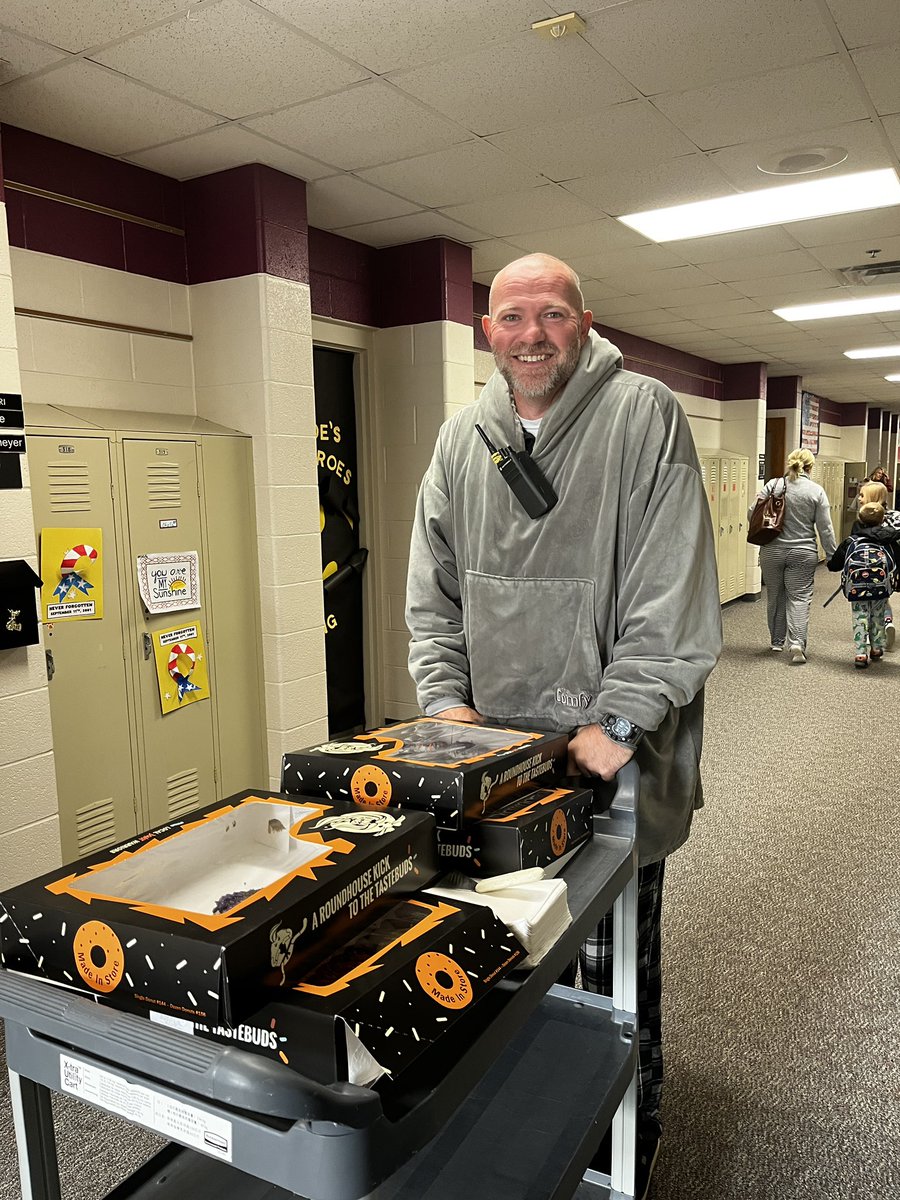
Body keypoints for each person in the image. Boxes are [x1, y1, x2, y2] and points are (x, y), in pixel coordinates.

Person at [405, 253, 722, 1199]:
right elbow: (434, 593)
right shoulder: (463, 438)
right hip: (492, 765)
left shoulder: (644, 416)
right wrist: (446, 706)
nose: (531, 333)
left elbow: (673, 595)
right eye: (511, 316)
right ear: (486, 332)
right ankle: (511, 1131)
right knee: (496, 965)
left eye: (551, 314)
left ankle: (626, 1142)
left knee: (610, 973)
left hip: (602, 761)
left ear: (584, 323)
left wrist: (617, 725)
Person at [752, 448, 836, 664]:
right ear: (810, 467)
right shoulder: (816, 491)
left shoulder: (774, 485)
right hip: (803, 552)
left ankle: (777, 641)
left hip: (772, 550)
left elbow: (753, 513)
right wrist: (831, 554)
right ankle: (797, 642)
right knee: (799, 597)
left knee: (776, 595)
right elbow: (825, 528)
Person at [827, 499, 900, 667]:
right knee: (878, 616)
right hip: (881, 587)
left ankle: (860, 653)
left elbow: (836, 563)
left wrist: (832, 566)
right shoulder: (888, 540)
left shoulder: (852, 541)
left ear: (860, 520)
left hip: (856, 588)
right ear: (882, 520)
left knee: (860, 617)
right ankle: (876, 648)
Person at [858, 481, 900, 648]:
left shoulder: (865, 520)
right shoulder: (896, 517)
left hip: (868, 568)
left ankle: (872, 633)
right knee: (882, 597)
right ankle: (887, 622)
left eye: (862, 495)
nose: (859, 499)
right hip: (891, 567)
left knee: (868, 600)